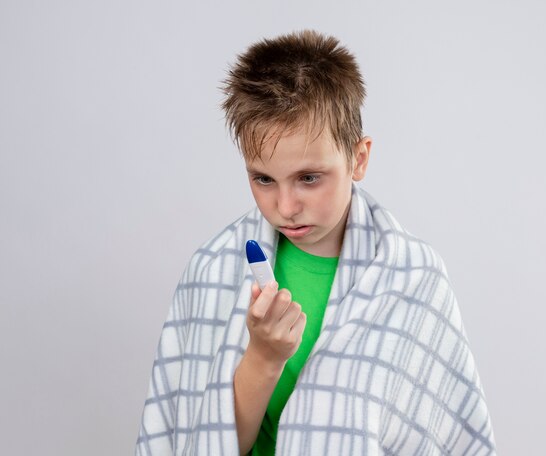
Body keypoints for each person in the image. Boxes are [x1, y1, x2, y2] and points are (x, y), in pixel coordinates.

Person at [135, 30, 496, 456]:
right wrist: (264, 357)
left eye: (309, 178)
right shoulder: (213, 269)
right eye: (263, 179)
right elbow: (204, 441)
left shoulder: (413, 276)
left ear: (358, 159)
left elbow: (445, 438)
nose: (285, 206)